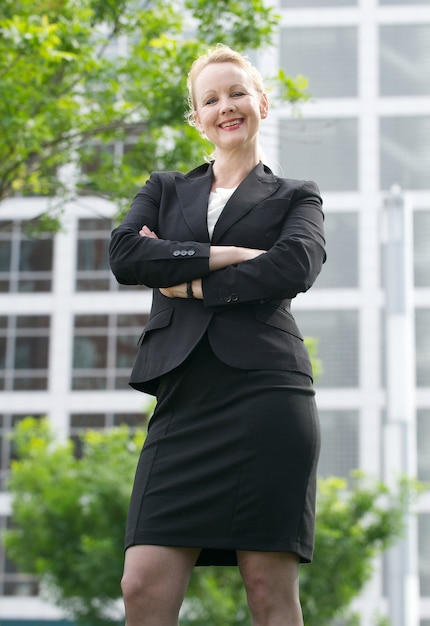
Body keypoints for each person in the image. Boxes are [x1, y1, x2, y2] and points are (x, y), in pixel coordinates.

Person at [109, 43, 326, 626]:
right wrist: (225, 254)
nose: (225, 106)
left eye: (236, 93)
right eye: (211, 99)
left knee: (267, 587)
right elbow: (127, 255)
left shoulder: (296, 195)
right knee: (142, 584)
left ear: (261, 102)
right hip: (183, 400)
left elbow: (294, 265)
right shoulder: (164, 188)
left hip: (267, 397)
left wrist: (192, 282)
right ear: (196, 118)